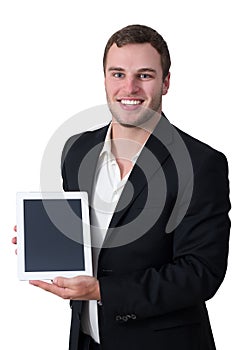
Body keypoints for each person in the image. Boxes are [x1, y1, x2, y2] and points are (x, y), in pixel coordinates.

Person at [13, 24, 231, 350]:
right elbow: (84, 236)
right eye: (117, 74)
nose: (129, 87)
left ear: (166, 82)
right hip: (87, 340)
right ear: (104, 79)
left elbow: (200, 273)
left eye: (144, 75)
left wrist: (101, 291)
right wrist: (47, 243)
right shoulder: (77, 150)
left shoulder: (201, 164)